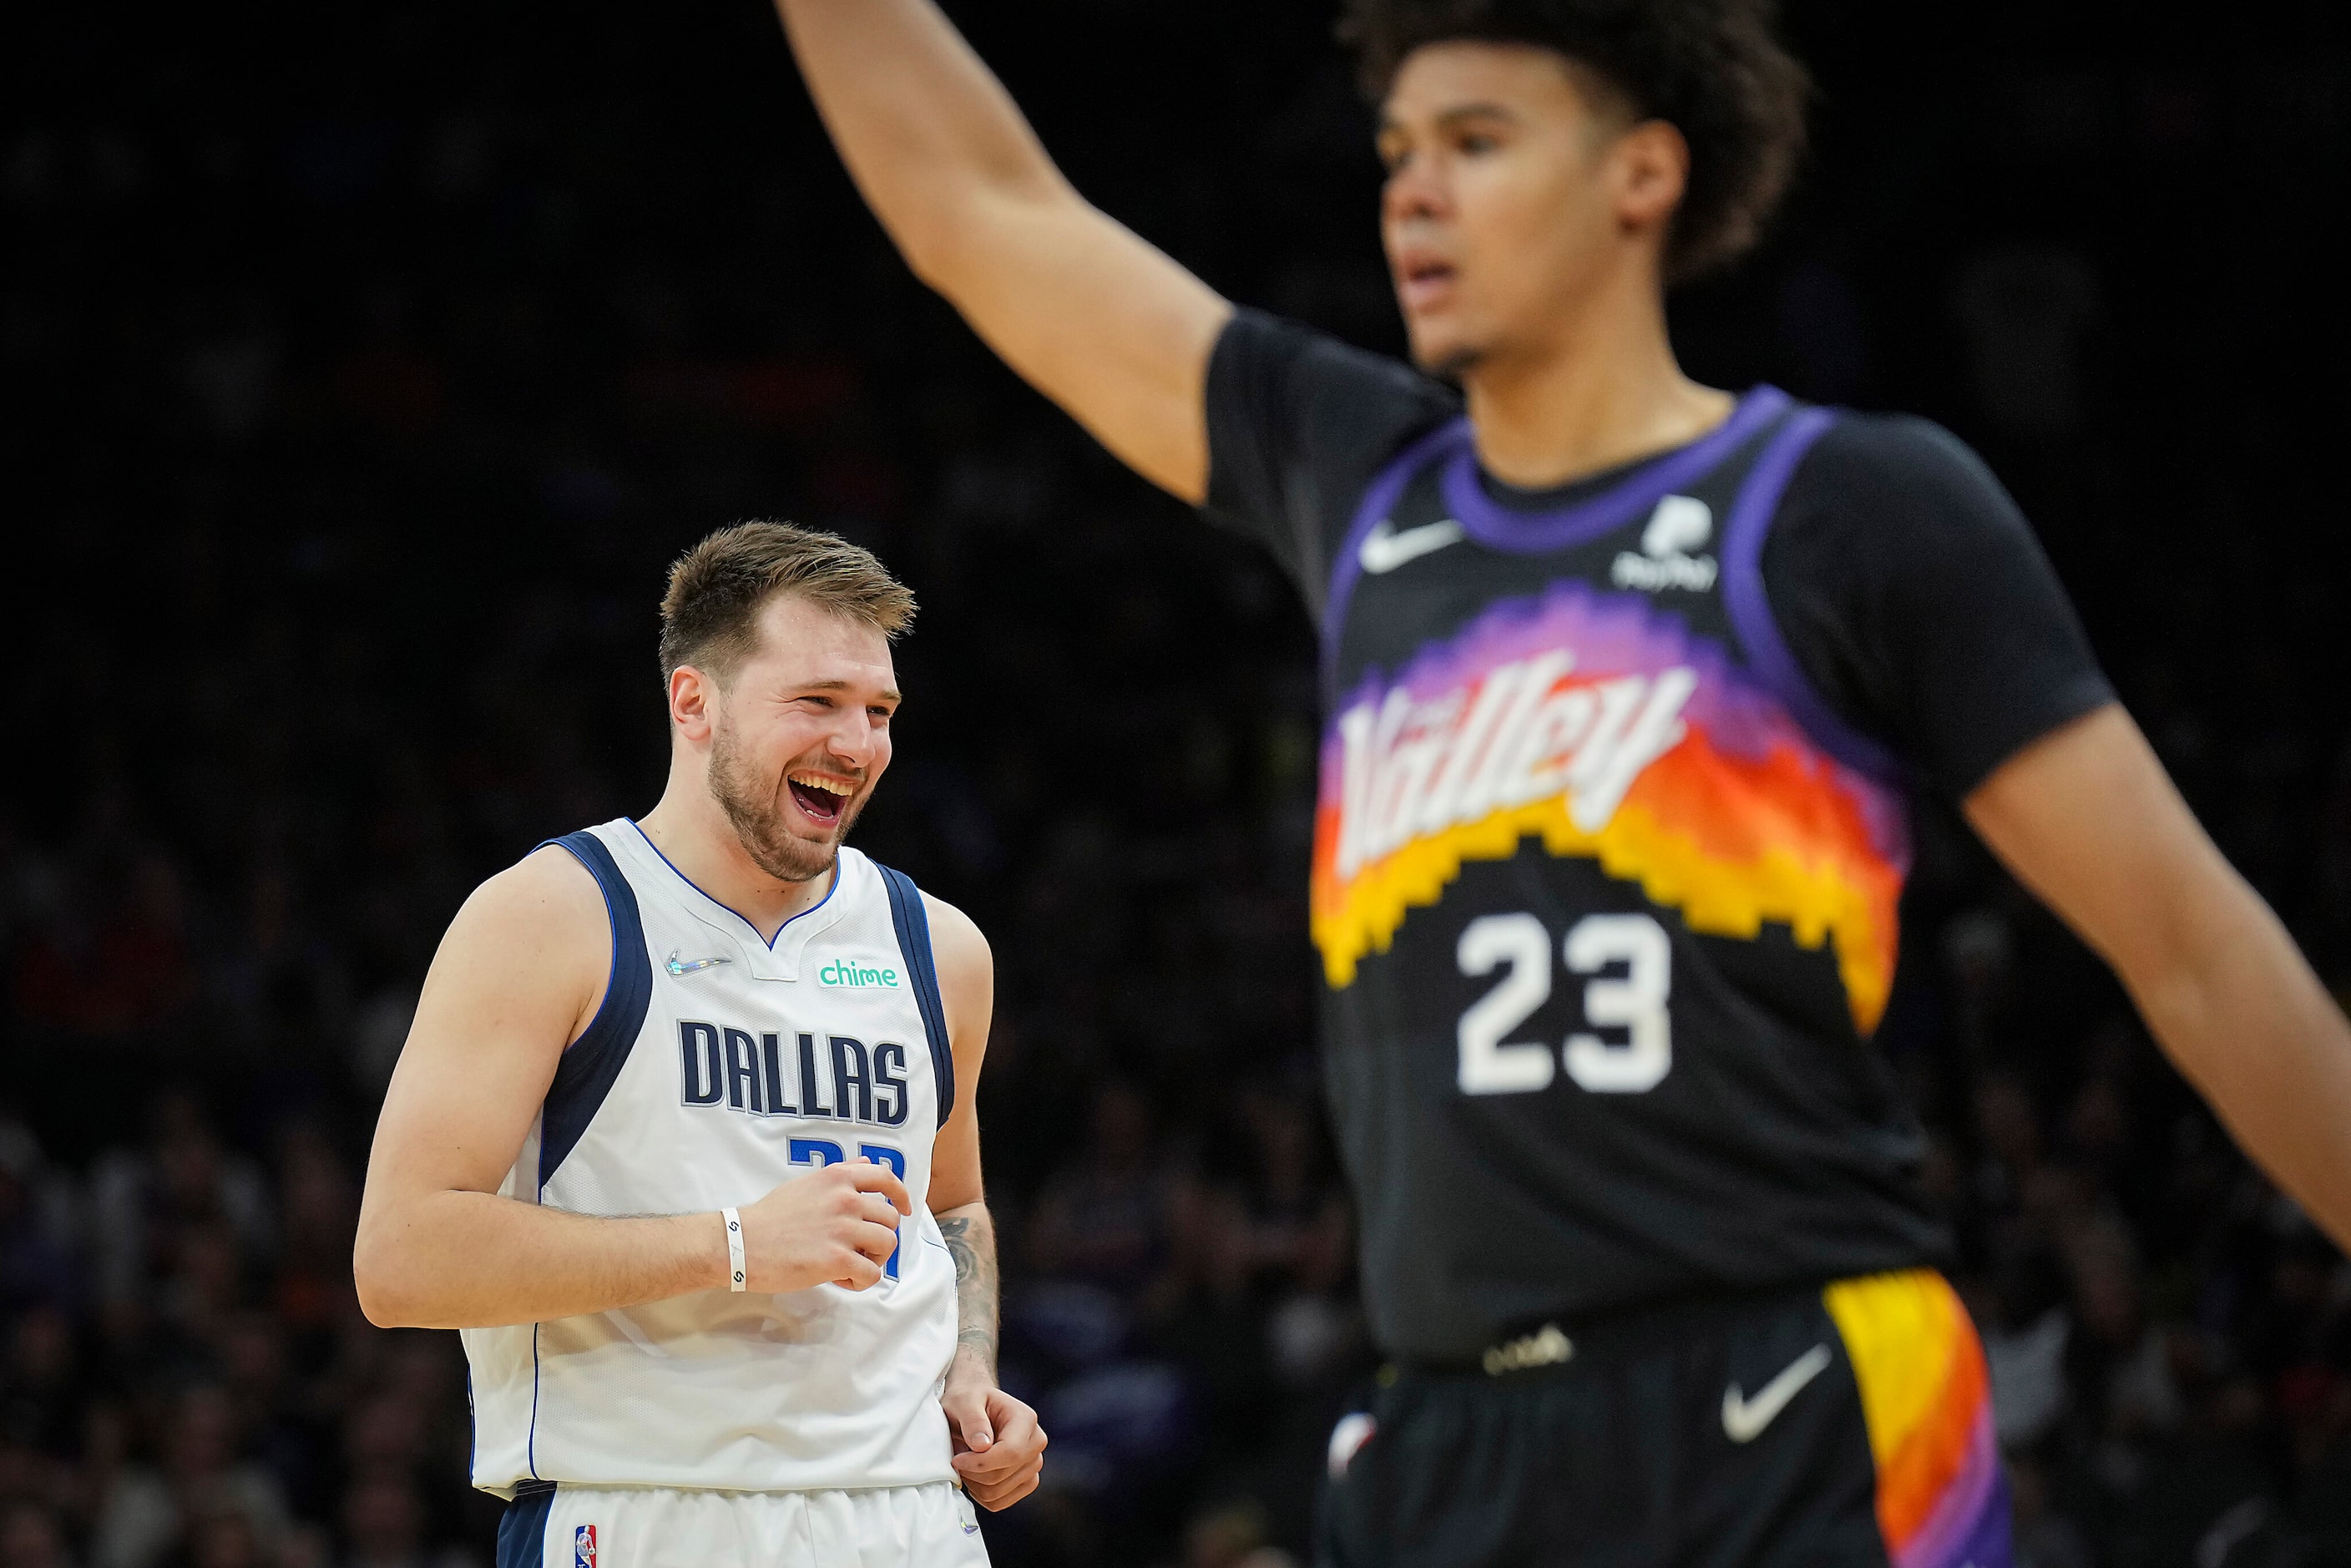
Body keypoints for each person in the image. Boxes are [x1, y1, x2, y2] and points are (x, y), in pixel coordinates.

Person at [766, 0, 2351, 1563]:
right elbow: (980, 212)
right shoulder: (1364, 482)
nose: (1411, 190)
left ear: (1640, 176)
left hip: (1792, 1387)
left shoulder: (1845, 506)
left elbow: (2194, 950)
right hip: (1445, 1436)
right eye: (1395, 150)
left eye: (1477, 141)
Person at [353, 523, 1046, 1566]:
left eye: (878, 711)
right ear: (694, 703)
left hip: (910, 1517)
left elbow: (950, 1207)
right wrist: (731, 1245)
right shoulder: (553, 916)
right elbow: (401, 1257)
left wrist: (970, 1369)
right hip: (644, 1510)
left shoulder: (939, 948)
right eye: (815, 703)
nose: (857, 746)